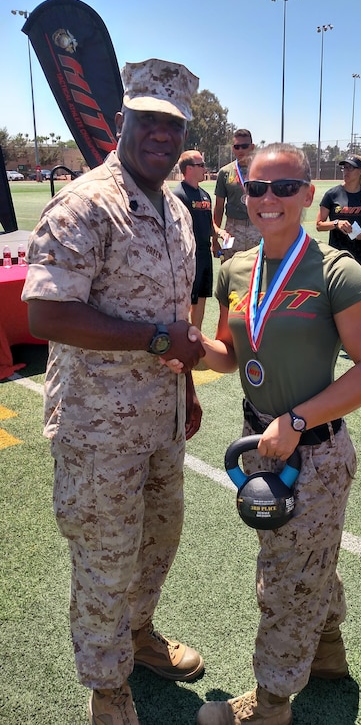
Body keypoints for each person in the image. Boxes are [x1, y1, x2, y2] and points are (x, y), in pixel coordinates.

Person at [166, 144, 361, 725]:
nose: (269, 199)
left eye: (285, 187)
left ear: (308, 194)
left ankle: (268, 707)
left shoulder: (337, 271)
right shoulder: (236, 270)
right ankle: (328, 658)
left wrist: (296, 421)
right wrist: (192, 352)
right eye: (258, 189)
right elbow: (230, 355)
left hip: (310, 451)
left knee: (285, 581)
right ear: (244, 196)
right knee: (307, 562)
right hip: (259, 443)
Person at [21, 58, 206, 725]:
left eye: (173, 125)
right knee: (104, 556)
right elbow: (47, 315)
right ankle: (107, 688)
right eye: (149, 120)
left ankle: (138, 634)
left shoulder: (176, 208)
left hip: (159, 418)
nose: (161, 135)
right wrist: (158, 340)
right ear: (122, 119)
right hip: (98, 430)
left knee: (158, 540)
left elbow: (178, 304)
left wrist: (183, 389)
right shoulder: (85, 204)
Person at [316, 155, 361, 272]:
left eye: (351, 168)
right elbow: (319, 225)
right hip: (337, 254)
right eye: (345, 168)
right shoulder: (332, 194)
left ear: (360, 171)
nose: (346, 171)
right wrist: (336, 223)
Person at [173, 150, 214, 329]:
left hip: (205, 254)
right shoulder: (178, 195)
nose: (205, 168)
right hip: (188, 256)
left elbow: (210, 223)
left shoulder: (205, 195)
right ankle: (184, 334)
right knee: (188, 298)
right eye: (201, 165)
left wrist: (219, 234)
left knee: (203, 295)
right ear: (189, 169)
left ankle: (197, 334)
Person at [213, 129, 261, 261]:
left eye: (244, 146)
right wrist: (215, 239)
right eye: (236, 146)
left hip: (257, 229)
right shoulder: (225, 172)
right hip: (232, 230)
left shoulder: (262, 170)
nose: (240, 150)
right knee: (229, 269)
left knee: (258, 272)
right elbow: (218, 208)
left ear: (252, 147)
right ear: (232, 149)